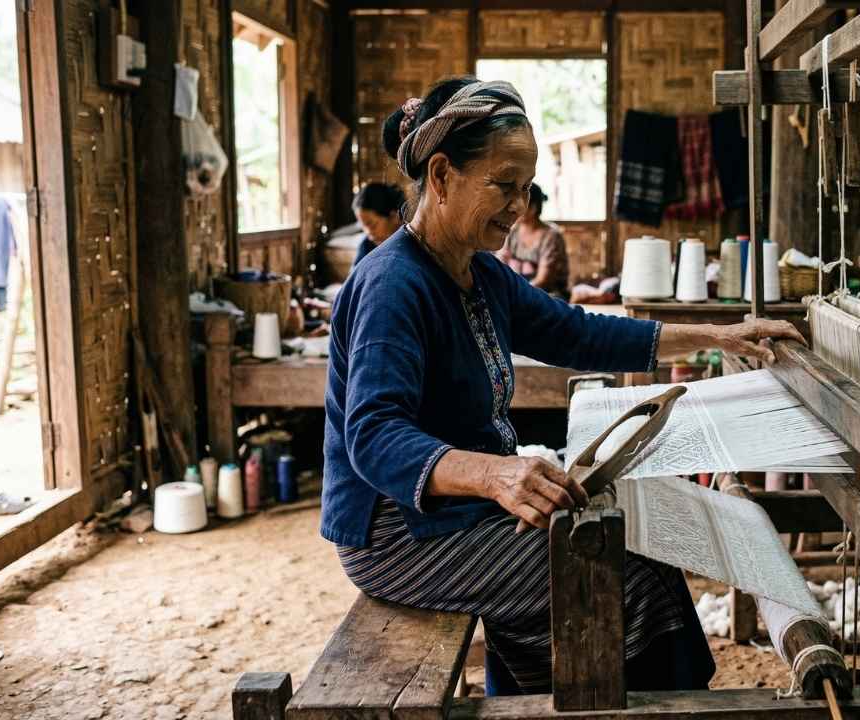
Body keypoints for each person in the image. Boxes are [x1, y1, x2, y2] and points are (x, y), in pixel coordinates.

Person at [323, 76, 803, 696]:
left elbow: (580, 333)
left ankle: (545, 696)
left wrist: (722, 336)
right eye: (503, 185)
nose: (519, 206)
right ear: (441, 176)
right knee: (622, 572)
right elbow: (374, 435)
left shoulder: (479, 274)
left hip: (455, 512)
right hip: (398, 534)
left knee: (626, 555)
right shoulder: (394, 286)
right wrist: (497, 475)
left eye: (524, 189)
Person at [496, 184, 568, 297]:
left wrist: (518, 295)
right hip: (519, 292)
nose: (513, 209)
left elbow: (543, 279)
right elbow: (500, 265)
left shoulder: (551, 236)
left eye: (520, 204)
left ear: (533, 208)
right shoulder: (512, 231)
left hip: (547, 293)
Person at [351, 182, 405, 267]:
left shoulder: (409, 245)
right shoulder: (366, 246)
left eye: (372, 225)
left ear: (394, 216)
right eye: (363, 226)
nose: (368, 232)